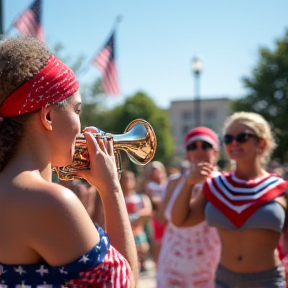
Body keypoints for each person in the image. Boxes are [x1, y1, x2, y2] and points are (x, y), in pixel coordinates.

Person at [0, 36, 137, 288]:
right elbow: (125, 283)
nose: (81, 126)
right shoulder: (51, 202)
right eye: (77, 110)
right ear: (49, 115)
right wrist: (111, 189)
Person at [171, 112, 288, 288]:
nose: (234, 142)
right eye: (228, 138)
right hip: (225, 281)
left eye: (243, 137)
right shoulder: (216, 185)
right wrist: (189, 183)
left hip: (268, 281)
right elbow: (180, 220)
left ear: (262, 143)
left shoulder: (280, 189)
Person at [157, 127, 221, 288]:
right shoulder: (173, 181)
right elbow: (165, 219)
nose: (199, 150)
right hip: (173, 262)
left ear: (216, 151)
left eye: (205, 145)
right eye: (192, 146)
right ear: (186, 153)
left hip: (207, 264)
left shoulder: (221, 181)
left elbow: (184, 217)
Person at [120, 170, 152, 272]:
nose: (127, 181)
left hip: (138, 234)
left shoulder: (141, 197)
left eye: (129, 178)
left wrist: (138, 216)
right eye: (124, 178)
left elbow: (148, 211)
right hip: (123, 236)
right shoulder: (118, 199)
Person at [143, 161, 168, 267]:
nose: (156, 171)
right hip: (155, 217)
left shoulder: (167, 183)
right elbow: (153, 200)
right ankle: (157, 266)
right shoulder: (149, 185)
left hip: (167, 216)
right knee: (157, 242)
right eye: (153, 169)